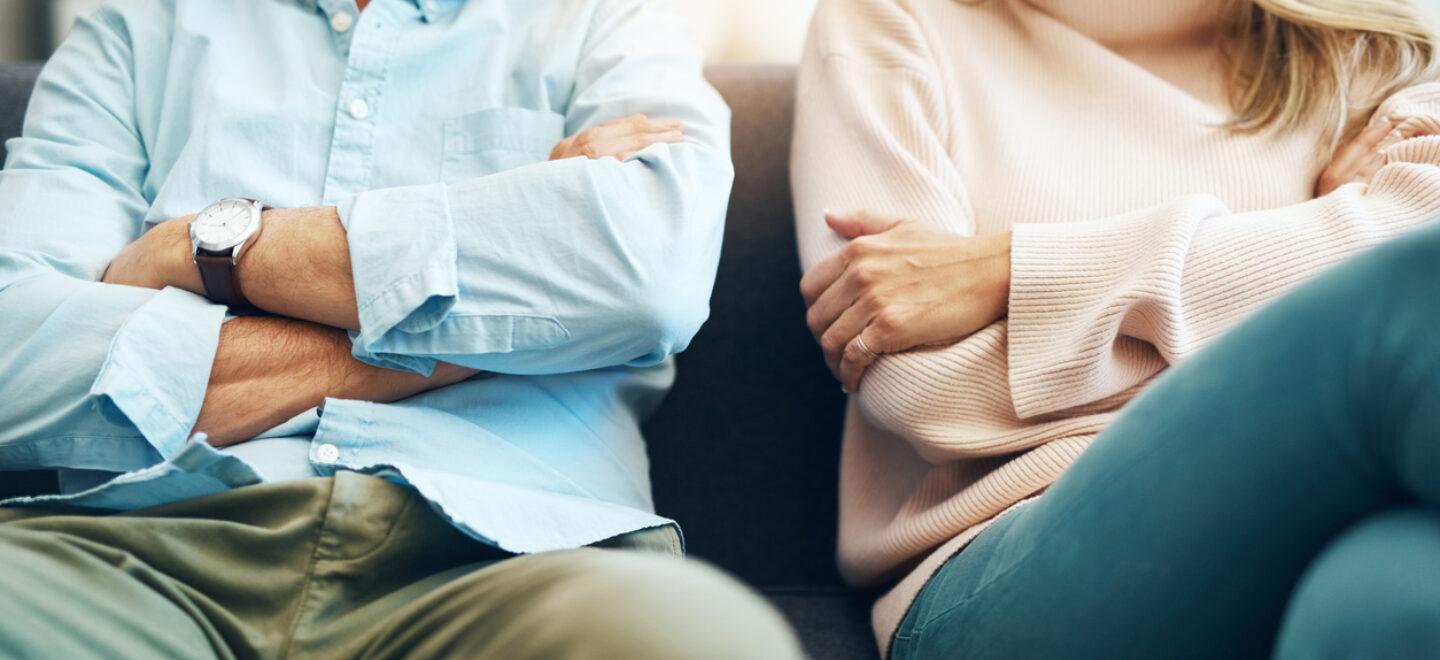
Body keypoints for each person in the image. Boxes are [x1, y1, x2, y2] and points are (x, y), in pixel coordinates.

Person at [0, 0, 805, 658]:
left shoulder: (608, 19)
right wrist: (510, 311)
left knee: (704, 642)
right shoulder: (139, 29)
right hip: (131, 552)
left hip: (508, 561)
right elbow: (15, 353)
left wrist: (204, 248)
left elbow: (647, 275)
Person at [791, 0, 1440, 657]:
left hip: (1339, 517)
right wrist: (1288, 260)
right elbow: (924, 390)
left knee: (1397, 601)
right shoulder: (893, 20)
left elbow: (1419, 234)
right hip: (1008, 558)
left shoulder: (1381, 40)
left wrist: (1015, 271)